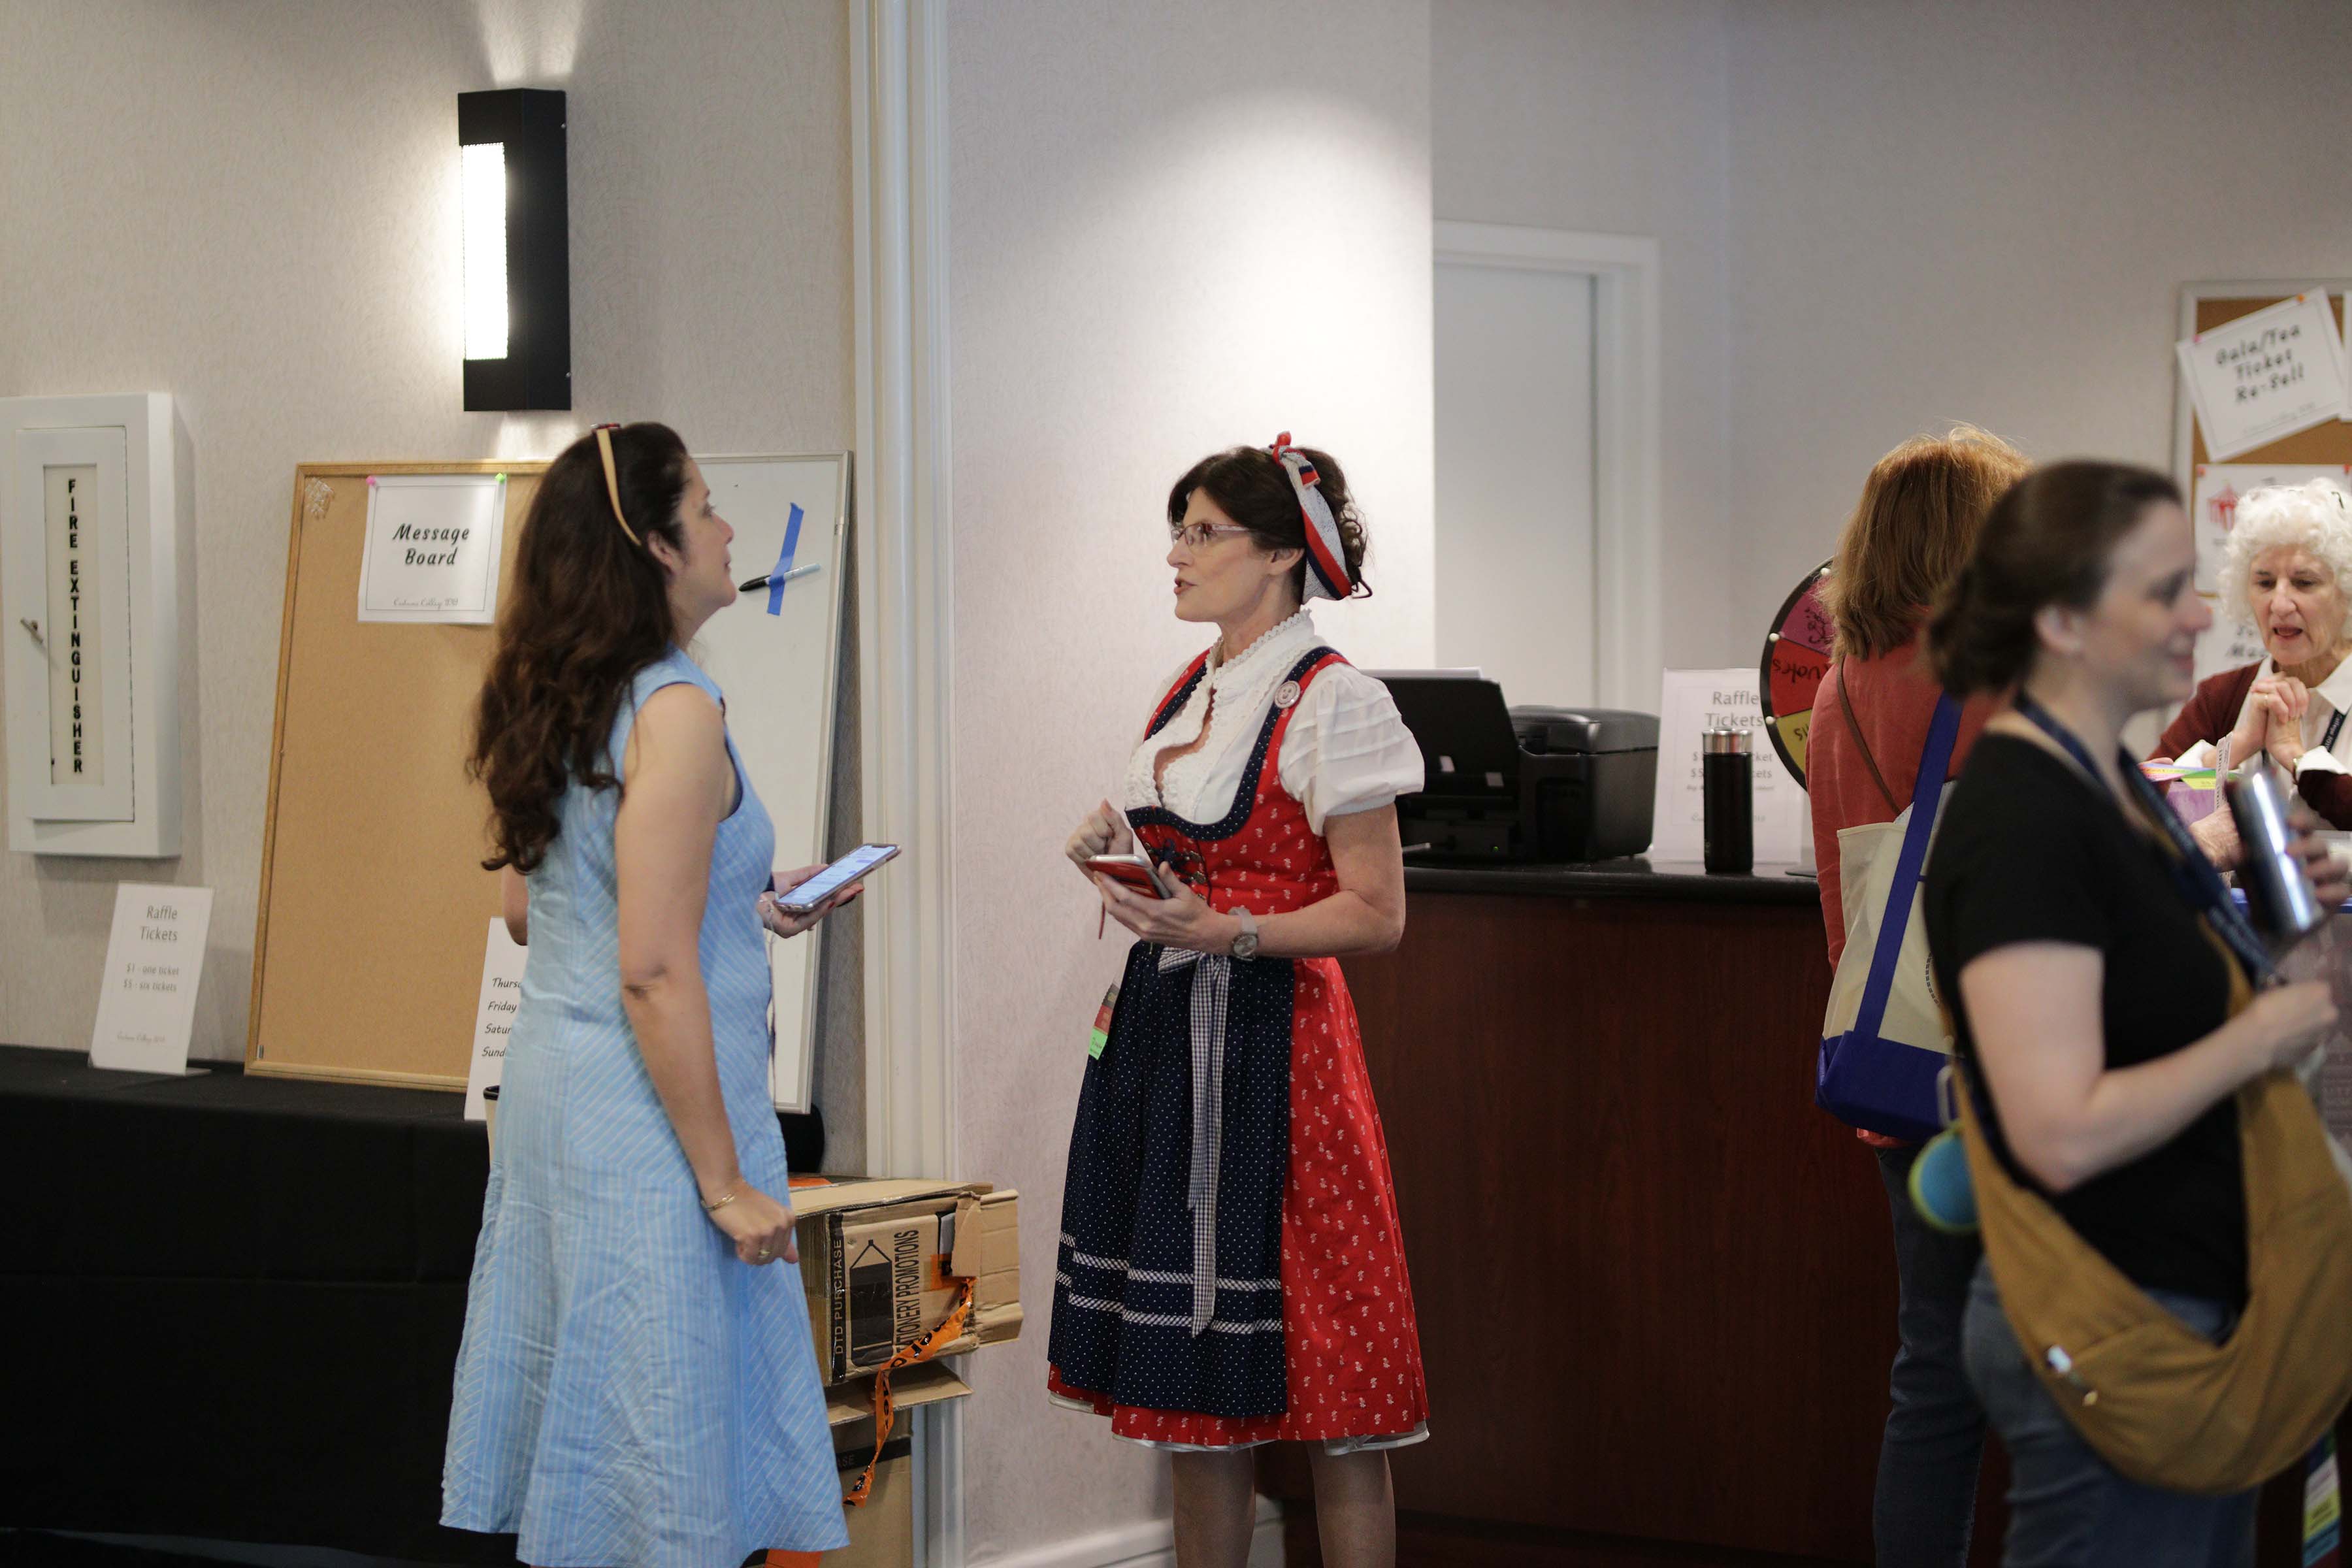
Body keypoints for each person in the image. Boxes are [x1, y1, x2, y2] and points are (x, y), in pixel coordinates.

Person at [443, 423, 856, 1568]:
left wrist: (739, 894)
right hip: (649, 1123)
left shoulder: (569, 690)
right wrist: (724, 1184)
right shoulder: (674, 710)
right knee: (663, 1470)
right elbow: (651, 967)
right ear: (659, 548)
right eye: (711, 510)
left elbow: (546, 910)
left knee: (609, 1463)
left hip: (561, 1102)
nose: (731, 532)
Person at [1921, 460, 2345, 1567]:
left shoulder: (2106, 784)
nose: (2207, 615)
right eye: (2164, 592)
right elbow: (2061, 1129)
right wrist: (2261, 1033)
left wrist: (2300, 909)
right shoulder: (2027, 817)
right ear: (2062, 618)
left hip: (2174, 1310)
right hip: (2115, 1318)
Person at [1051, 435, 1429, 1568]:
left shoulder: (1333, 699)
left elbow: (1377, 912)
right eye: (1179, 529)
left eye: (1201, 531)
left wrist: (1236, 930)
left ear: (1276, 555)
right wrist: (1115, 850)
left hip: (1281, 1059)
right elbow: (1195, 862)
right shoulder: (1195, 689)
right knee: (1193, 1403)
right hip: (1172, 1049)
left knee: (1336, 1394)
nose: (1175, 554)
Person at [1805, 425, 2028, 1568]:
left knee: (1931, 1371)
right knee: (2058, 1367)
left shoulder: (1839, 683)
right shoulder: (1996, 672)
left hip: (1894, 1057)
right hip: (2017, 1064)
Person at [2151, 476, 2352, 827]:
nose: (2279, 603)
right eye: (2264, 583)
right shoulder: (2223, 696)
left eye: (2304, 583)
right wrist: (2235, 747)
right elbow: (2141, 809)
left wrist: (2297, 759)